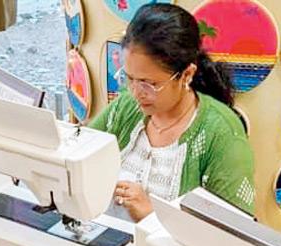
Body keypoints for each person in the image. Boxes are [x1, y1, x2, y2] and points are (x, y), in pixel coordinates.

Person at [90, 3, 255, 221]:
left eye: (149, 83)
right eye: (130, 78)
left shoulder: (222, 135)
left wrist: (153, 216)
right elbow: (81, 151)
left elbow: (232, 238)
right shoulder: (127, 106)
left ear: (187, 74)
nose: (137, 92)